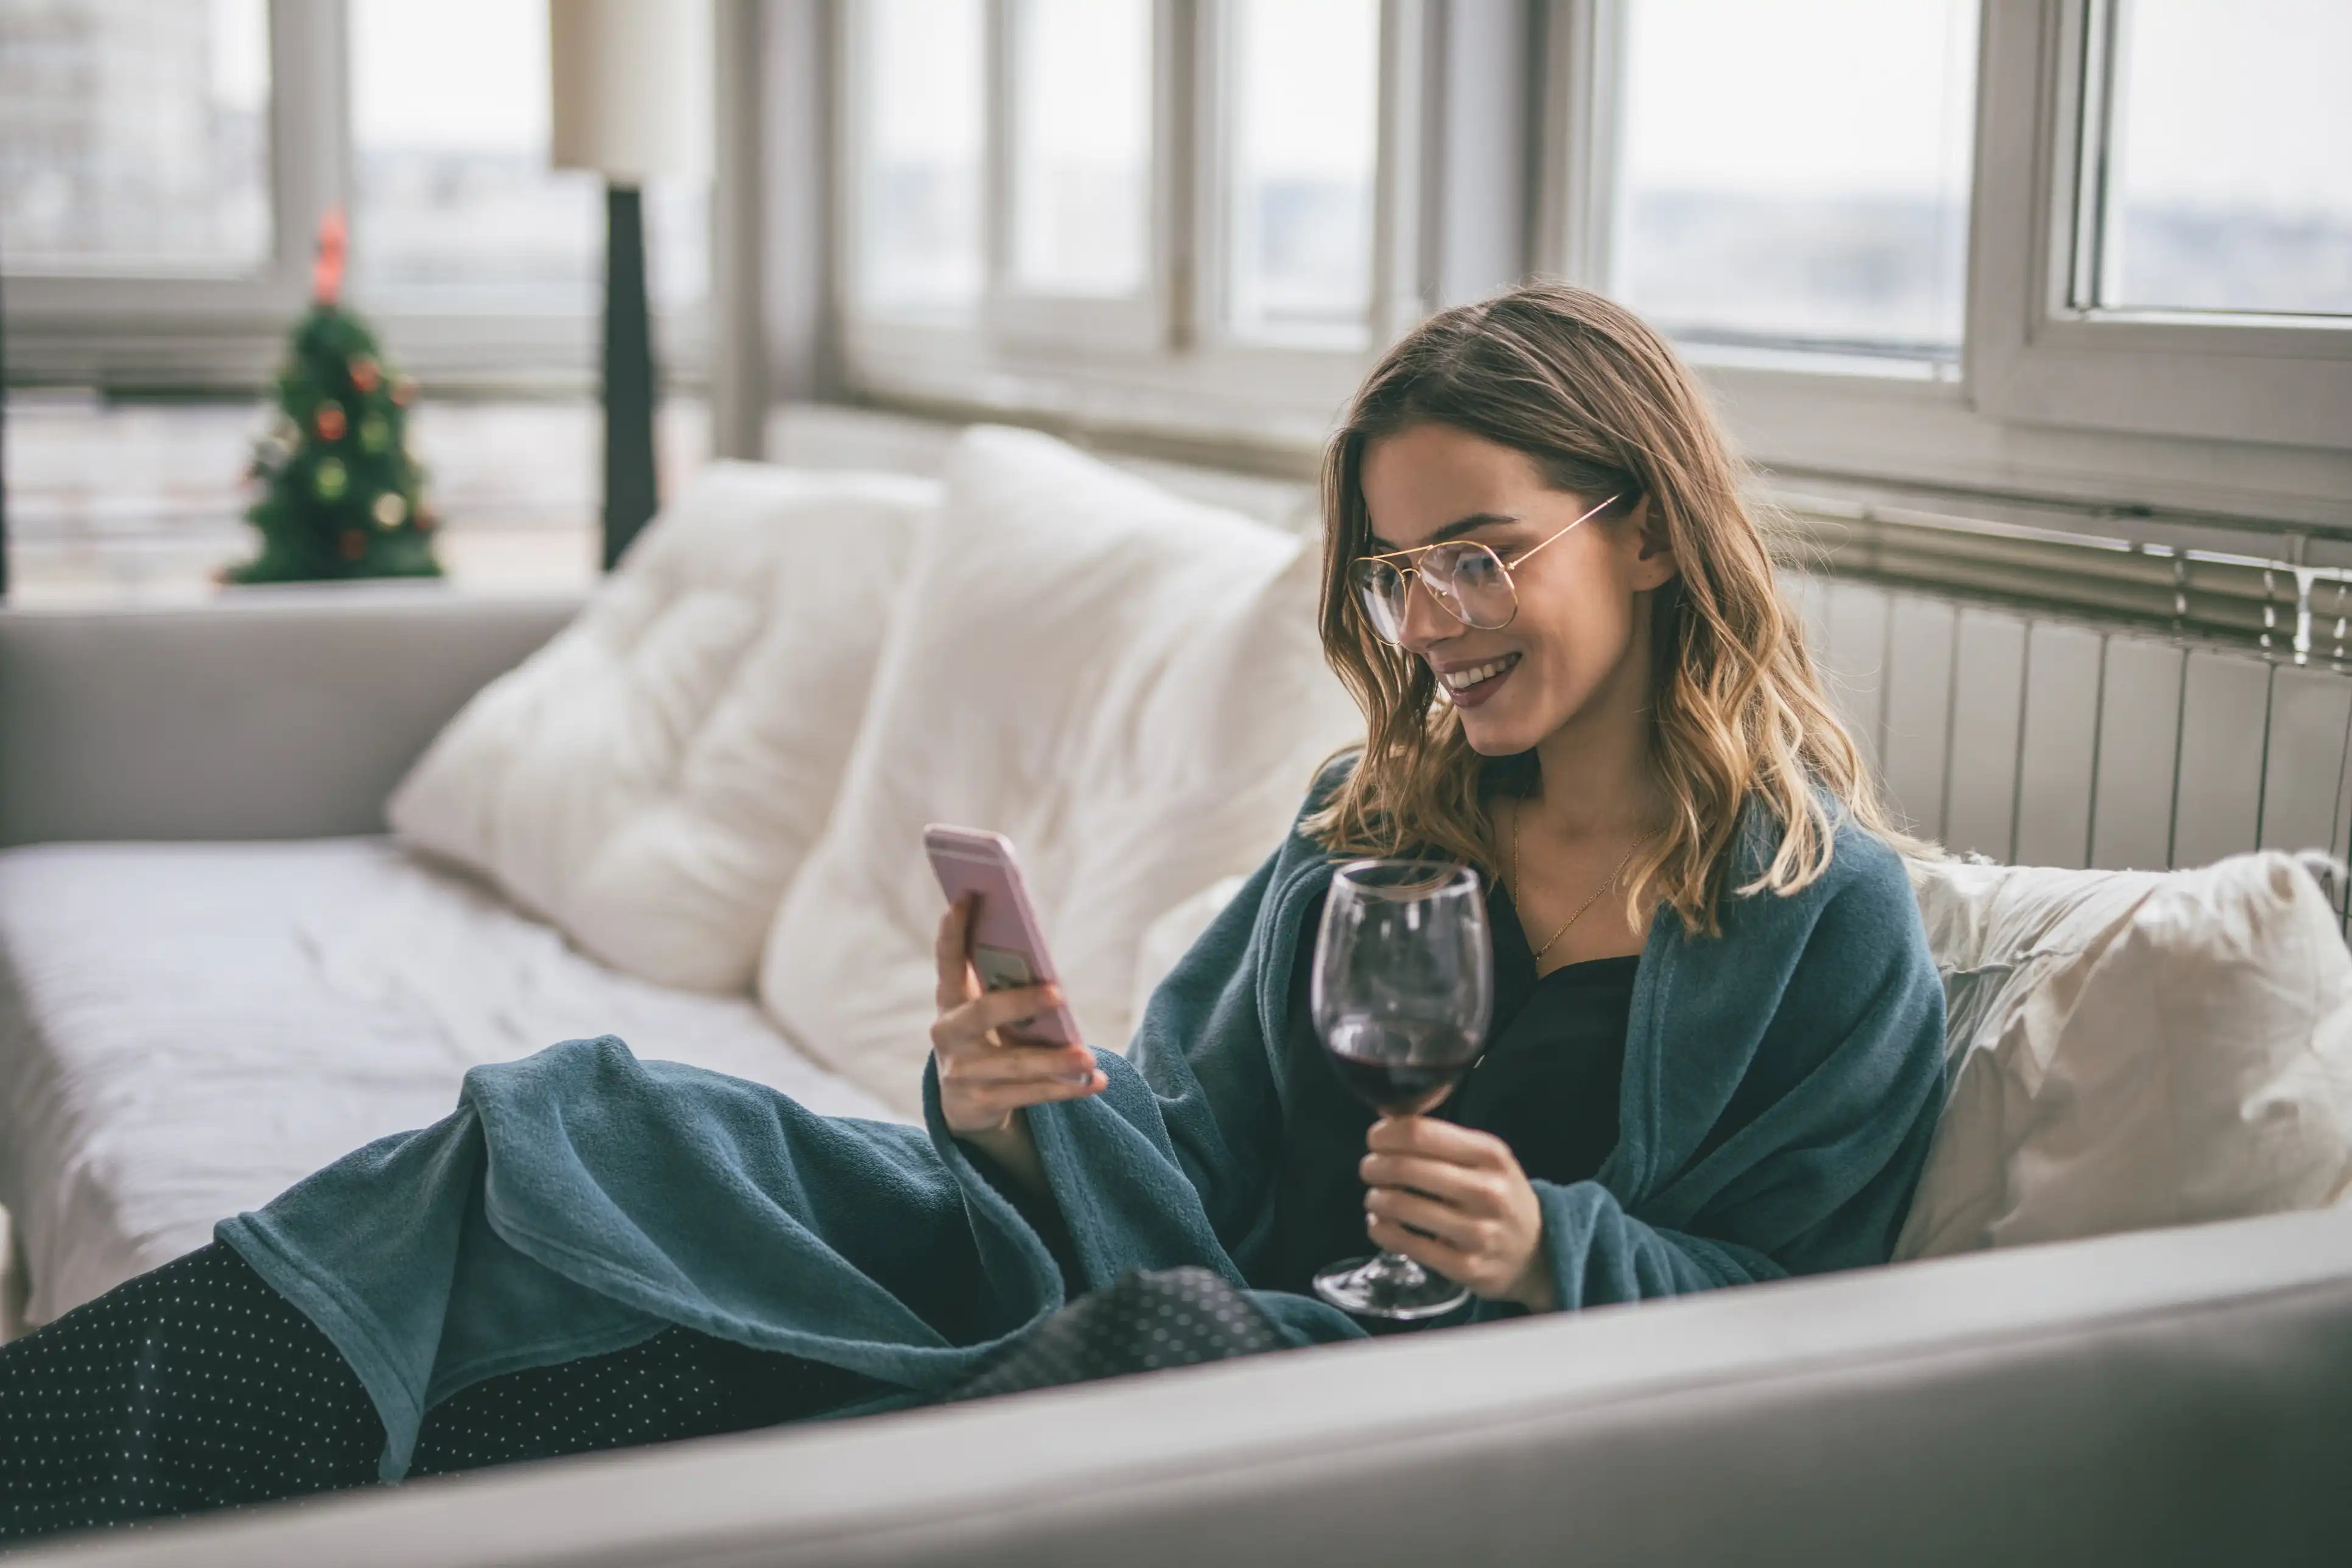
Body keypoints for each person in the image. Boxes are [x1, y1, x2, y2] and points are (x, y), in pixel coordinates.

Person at [0, 282, 1945, 1544]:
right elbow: (1178, 1139)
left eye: (1479, 556)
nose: (1430, 624)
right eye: (1392, 578)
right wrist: (1033, 1094)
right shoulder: (1363, 826)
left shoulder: (1821, 915)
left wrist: (1553, 1248)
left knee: (1151, 1343)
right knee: (601, 1129)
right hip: (1147, 1294)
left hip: (1365, 1409)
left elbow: (1827, 1326)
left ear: (1657, 530)